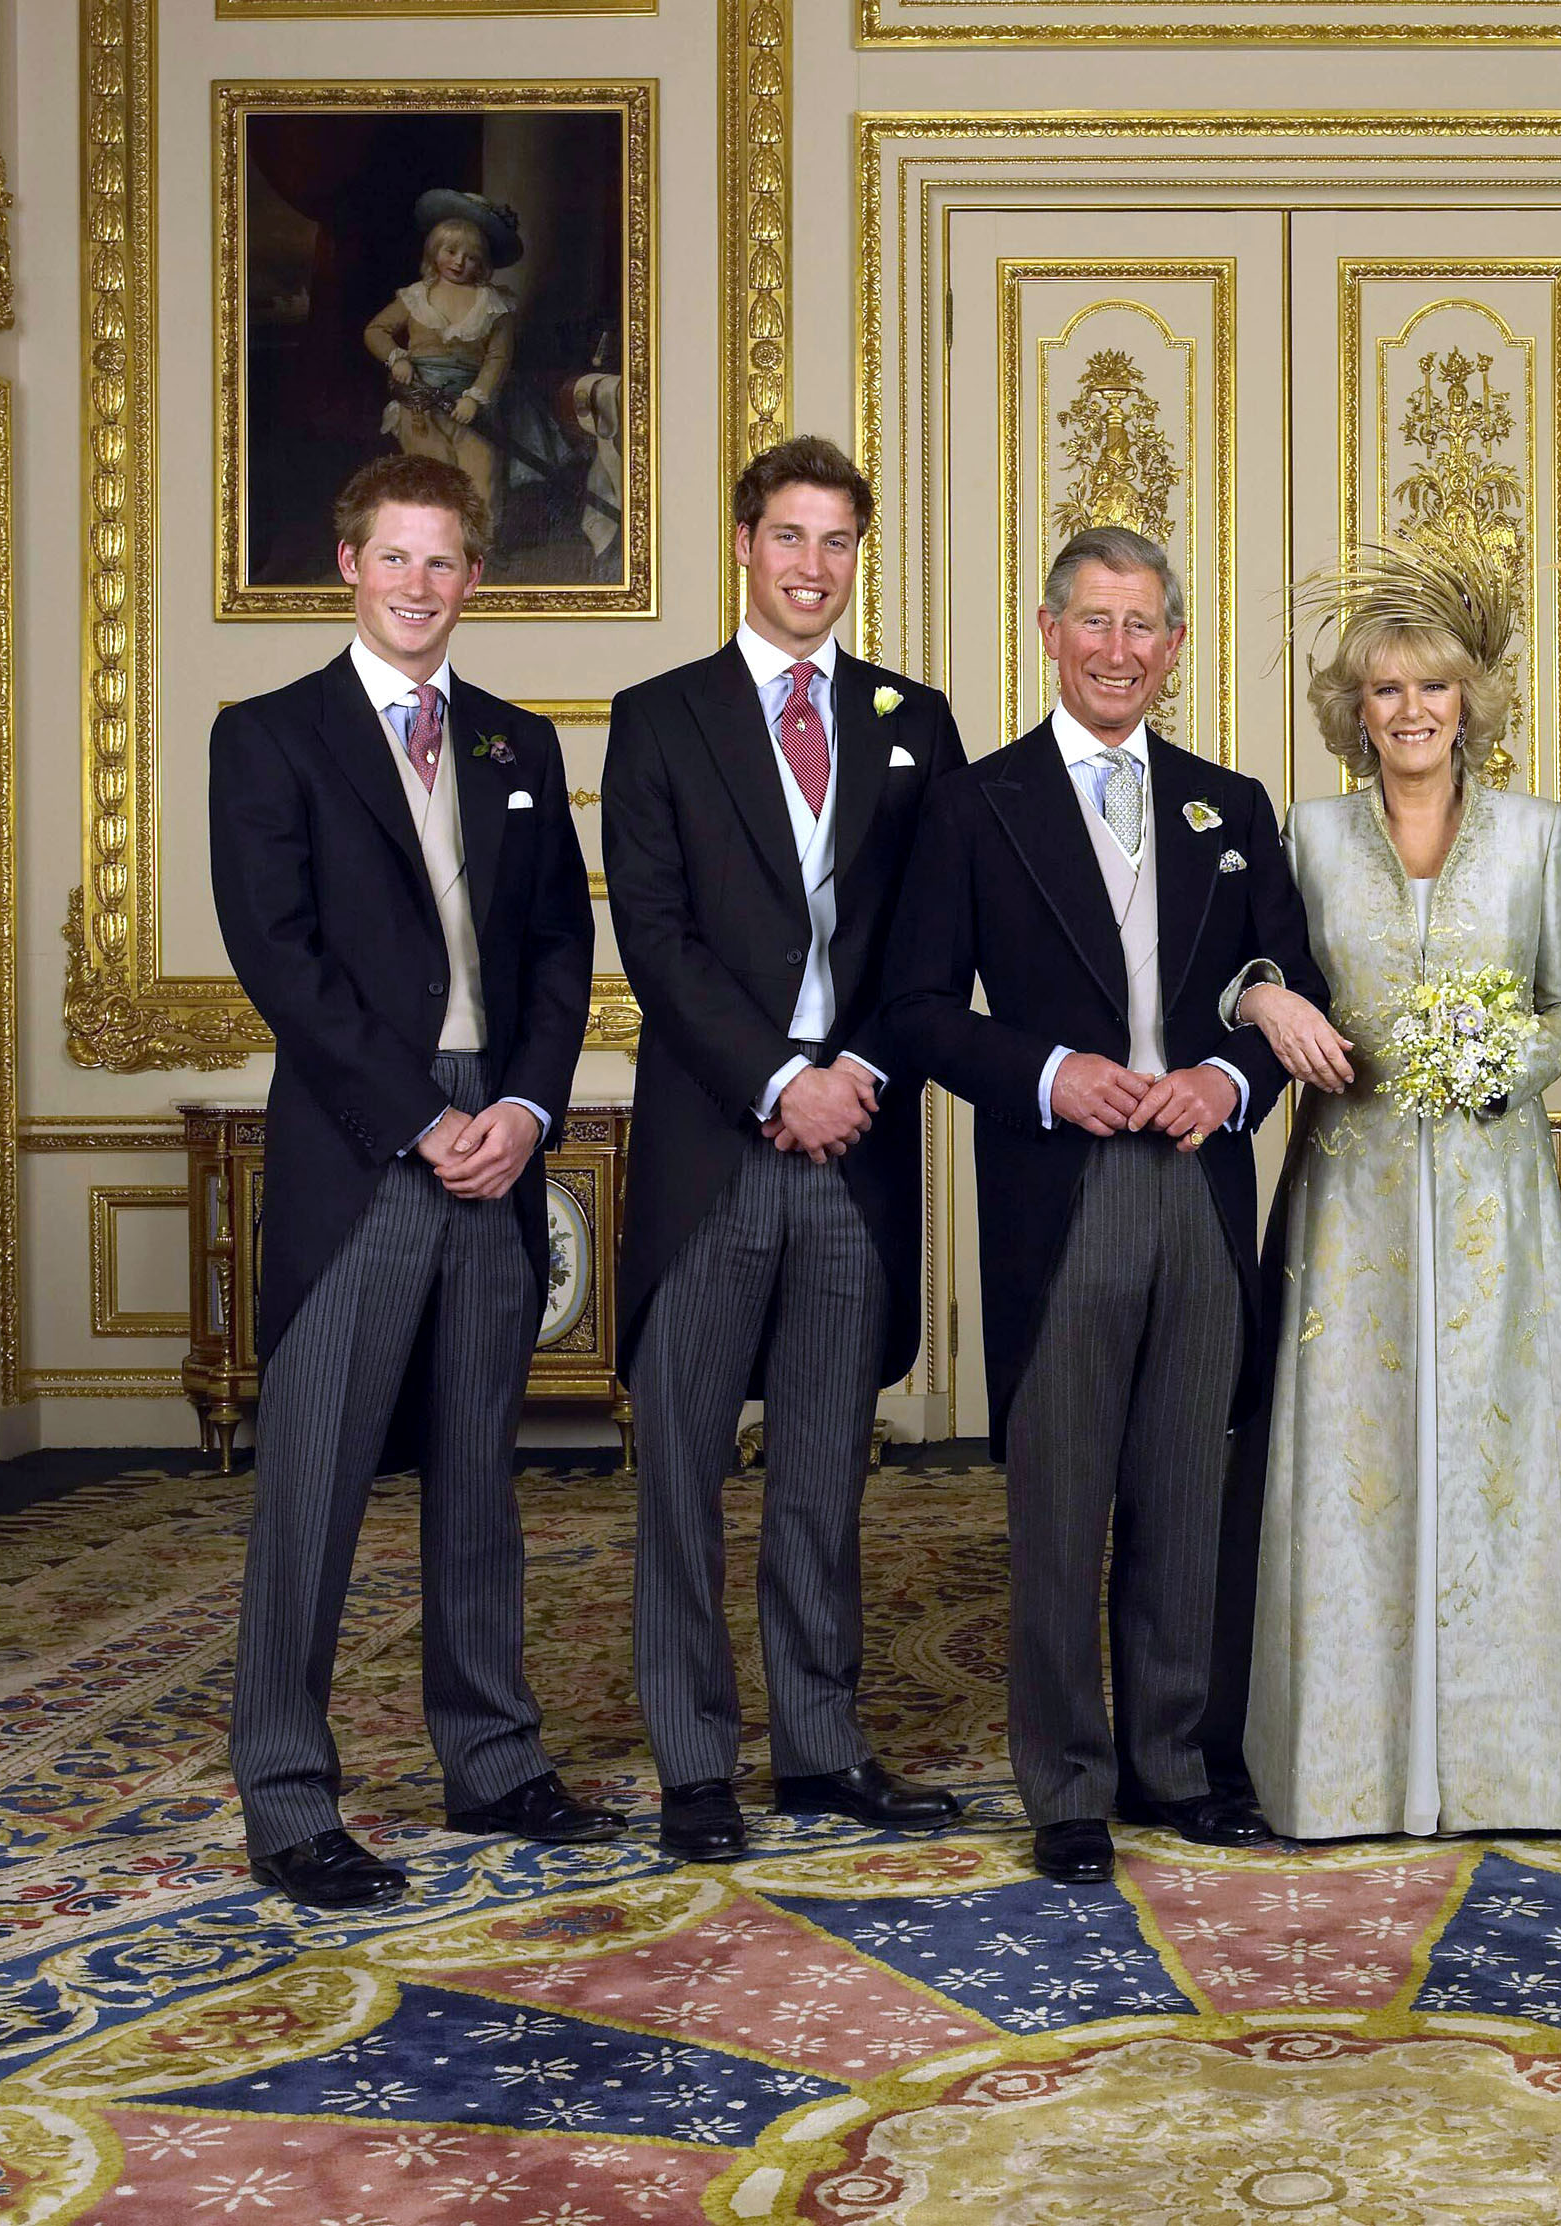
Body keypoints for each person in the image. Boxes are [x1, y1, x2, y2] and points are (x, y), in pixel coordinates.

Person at [883, 525, 1325, 1884]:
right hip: (1057, 1188)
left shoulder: (1229, 805)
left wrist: (1228, 1080)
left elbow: (1288, 983)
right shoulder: (977, 803)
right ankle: (1068, 1780)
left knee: (1188, 1489)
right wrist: (1050, 1073)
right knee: (1062, 1500)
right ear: (1048, 628)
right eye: (1096, 622)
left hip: (1197, 1185)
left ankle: (1176, 1763)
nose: (1119, 650)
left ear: (1175, 647)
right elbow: (912, 1010)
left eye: (1145, 627)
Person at [210, 452, 612, 1907]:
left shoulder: (514, 742)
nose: (420, 587)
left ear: (475, 580)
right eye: (396, 559)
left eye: (445, 563)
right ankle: (288, 1795)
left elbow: (563, 944)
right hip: (359, 1138)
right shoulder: (269, 738)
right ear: (346, 563)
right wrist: (415, 1117)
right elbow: (282, 960)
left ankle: (493, 1759)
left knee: (479, 1480)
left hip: (494, 1131)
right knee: (311, 1484)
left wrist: (519, 1103)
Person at [602, 438, 967, 1865]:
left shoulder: (911, 718)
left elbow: (929, 933)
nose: (813, 566)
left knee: (823, 1470)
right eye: (790, 537)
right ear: (744, 544)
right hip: (718, 1143)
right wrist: (775, 1080)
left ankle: (820, 1745)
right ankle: (695, 1760)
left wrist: (858, 1069)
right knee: (681, 1470)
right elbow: (659, 936)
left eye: (838, 542)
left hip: (858, 1145)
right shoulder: (663, 715)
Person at [1225, 547, 1561, 1839]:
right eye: (1383, 691)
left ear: (1468, 700)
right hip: (1356, 1200)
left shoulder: (1537, 832)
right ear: (1355, 710)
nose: (1409, 711)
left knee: (1503, 1464)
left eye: (1431, 688)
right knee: (1357, 1462)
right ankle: (1345, 1771)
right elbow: (1253, 965)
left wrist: (1514, 1059)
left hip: (1498, 1202)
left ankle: (1516, 1771)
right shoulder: (1312, 835)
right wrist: (1261, 994)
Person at [364, 191, 520, 532]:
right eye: (451, 251)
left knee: (483, 473)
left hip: (470, 409)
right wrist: (396, 358)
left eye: (472, 257)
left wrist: (475, 396)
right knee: (433, 475)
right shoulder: (417, 295)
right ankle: (433, 546)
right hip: (421, 408)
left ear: (484, 263)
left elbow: (498, 357)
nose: (460, 262)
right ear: (435, 251)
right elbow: (375, 330)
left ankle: (477, 552)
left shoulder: (495, 304)